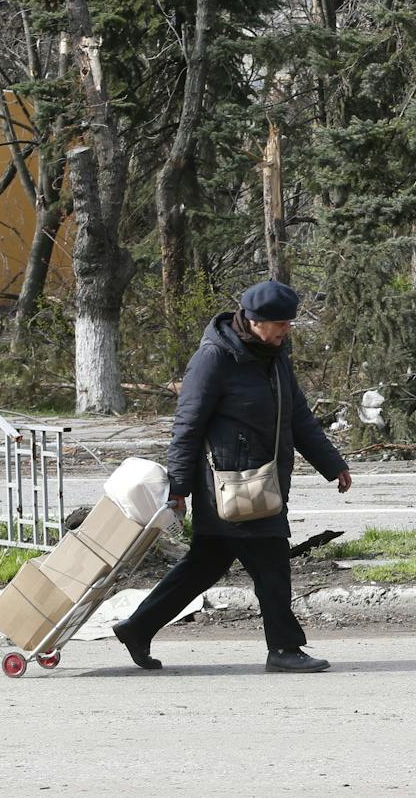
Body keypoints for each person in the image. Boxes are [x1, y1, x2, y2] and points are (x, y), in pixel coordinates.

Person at [114, 280, 353, 673]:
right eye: (280, 324)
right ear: (255, 321)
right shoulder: (215, 357)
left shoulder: (275, 356)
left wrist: (332, 464)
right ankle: (284, 648)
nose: (286, 330)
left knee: (205, 564)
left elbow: (298, 416)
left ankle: (138, 627)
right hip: (231, 486)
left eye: (289, 323)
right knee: (271, 563)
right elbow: (187, 425)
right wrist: (178, 488)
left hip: (262, 481)